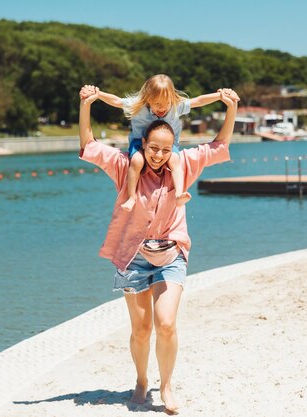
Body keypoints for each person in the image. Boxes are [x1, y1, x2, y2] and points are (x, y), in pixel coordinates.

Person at [78, 84, 239, 413]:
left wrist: (231, 108)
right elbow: (89, 145)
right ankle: (141, 380)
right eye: (153, 148)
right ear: (143, 144)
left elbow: (219, 145)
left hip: (171, 255)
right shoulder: (126, 167)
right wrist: (86, 104)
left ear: (172, 149)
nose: (158, 155)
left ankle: (166, 385)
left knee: (166, 323)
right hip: (133, 258)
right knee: (141, 329)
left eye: (165, 150)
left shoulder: (185, 165)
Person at [79, 74, 225, 212]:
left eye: (166, 103)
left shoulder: (175, 105)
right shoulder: (138, 104)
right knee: (136, 160)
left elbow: (198, 101)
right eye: (157, 104)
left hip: (168, 144)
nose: (162, 108)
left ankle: (179, 193)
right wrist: (98, 94)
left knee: (175, 159)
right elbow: (116, 101)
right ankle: (131, 197)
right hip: (139, 142)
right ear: (148, 99)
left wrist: (220, 95)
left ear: (172, 99)